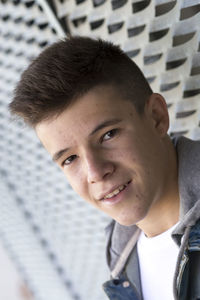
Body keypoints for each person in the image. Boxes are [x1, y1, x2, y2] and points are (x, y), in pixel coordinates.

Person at [9, 36, 200, 300]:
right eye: (70, 159)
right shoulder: (121, 256)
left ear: (157, 117)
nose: (96, 172)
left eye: (108, 135)